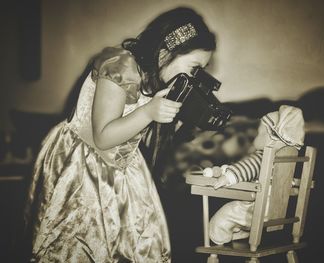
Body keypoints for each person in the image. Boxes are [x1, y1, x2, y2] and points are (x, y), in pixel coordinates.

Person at [24, 7, 216, 262]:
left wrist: (175, 122)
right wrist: (149, 113)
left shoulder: (155, 81)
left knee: (129, 242)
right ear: (166, 52)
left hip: (123, 167)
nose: (194, 77)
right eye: (194, 68)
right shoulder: (121, 66)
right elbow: (102, 137)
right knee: (79, 243)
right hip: (82, 164)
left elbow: (138, 137)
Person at [203, 105, 305, 245]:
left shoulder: (264, 157)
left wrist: (228, 177)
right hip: (281, 212)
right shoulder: (287, 162)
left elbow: (248, 167)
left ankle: (220, 238)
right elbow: (287, 181)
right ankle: (244, 233)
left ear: (271, 138)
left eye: (259, 133)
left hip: (257, 209)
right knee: (241, 214)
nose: (256, 136)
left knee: (226, 213)